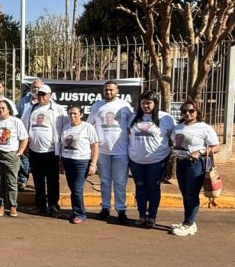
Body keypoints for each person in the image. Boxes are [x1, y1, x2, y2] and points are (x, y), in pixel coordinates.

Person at [170, 99, 220, 236]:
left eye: (191, 111)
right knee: (185, 193)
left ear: (197, 112)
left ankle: (188, 224)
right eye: (184, 111)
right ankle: (189, 220)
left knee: (191, 194)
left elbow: (216, 147)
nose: (187, 113)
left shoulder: (204, 127)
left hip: (195, 164)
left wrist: (200, 152)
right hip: (181, 163)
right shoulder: (178, 127)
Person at [126, 90, 174, 228]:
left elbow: (172, 137)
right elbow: (129, 134)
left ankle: (152, 216)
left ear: (155, 103)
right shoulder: (133, 117)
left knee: (153, 188)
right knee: (140, 188)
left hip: (157, 160)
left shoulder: (165, 118)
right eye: (143, 103)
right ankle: (141, 215)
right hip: (136, 160)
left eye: (149, 103)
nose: (146, 106)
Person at [87, 80, 133, 223]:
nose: (108, 92)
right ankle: (105, 208)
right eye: (106, 90)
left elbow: (132, 127)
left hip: (120, 151)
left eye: (111, 90)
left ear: (117, 91)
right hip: (102, 151)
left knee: (120, 182)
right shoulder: (97, 106)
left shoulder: (125, 106)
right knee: (105, 181)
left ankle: (121, 210)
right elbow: (89, 126)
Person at [20, 84, 68, 217]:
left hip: (52, 151)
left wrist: (62, 151)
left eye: (44, 94)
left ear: (50, 96)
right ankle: (40, 205)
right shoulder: (30, 109)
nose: (41, 97)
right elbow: (23, 128)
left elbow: (65, 129)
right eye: (39, 94)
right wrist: (25, 147)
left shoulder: (58, 110)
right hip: (34, 151)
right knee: (38, 180)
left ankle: (54, 206)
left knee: (53, 180)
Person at [60, 105, 99, 224]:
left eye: (75, 114)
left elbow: (95, 147)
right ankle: (77, 211)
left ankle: (79, 214)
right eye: (70, 113)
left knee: (77, 188)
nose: (72, 116)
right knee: (74, 189)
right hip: (67, 161)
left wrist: (93, 164)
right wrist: (61, 162)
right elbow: (62, 145)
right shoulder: (66, 127)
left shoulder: (88, 127)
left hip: (81, 162)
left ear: (81, 115)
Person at [0, 101, 29, 217]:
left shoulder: (16, 121)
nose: (1, 110)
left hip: (11, 155)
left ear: (8, 109)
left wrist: (20, 152)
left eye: (3, 108)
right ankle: (0, 205)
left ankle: (12, 206)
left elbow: (24, 138)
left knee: (11, 182)